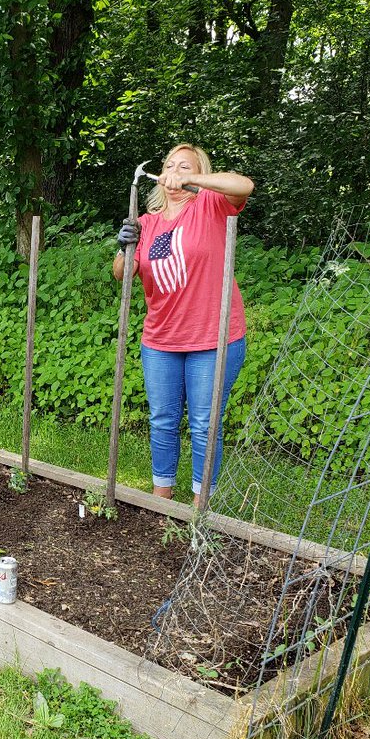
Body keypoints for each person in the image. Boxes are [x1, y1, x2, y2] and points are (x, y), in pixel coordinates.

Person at [113, 143, 254, 501]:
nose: (174, 172)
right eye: (170, 166)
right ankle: (161, 499)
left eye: (184, 166)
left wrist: (196, 182)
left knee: (204, 424)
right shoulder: (146, 223)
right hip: (161, 339)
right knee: (162, 420)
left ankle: (199, 507)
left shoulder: (210, 205)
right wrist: (124, 246)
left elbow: (244, 185)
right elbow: (122, 274)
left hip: (213, 336)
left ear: (199, 173)